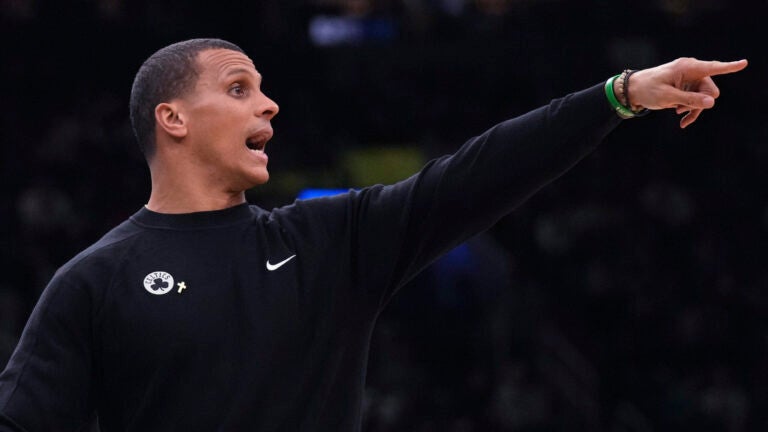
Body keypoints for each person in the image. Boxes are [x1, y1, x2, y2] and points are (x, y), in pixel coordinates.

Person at [0, 38, 747, 431]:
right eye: (239, 88)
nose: (270, 104)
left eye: (263, 88)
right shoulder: (92, 283)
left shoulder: (330, 242)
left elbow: (474, 176)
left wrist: (616, 96)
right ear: (173, 119)